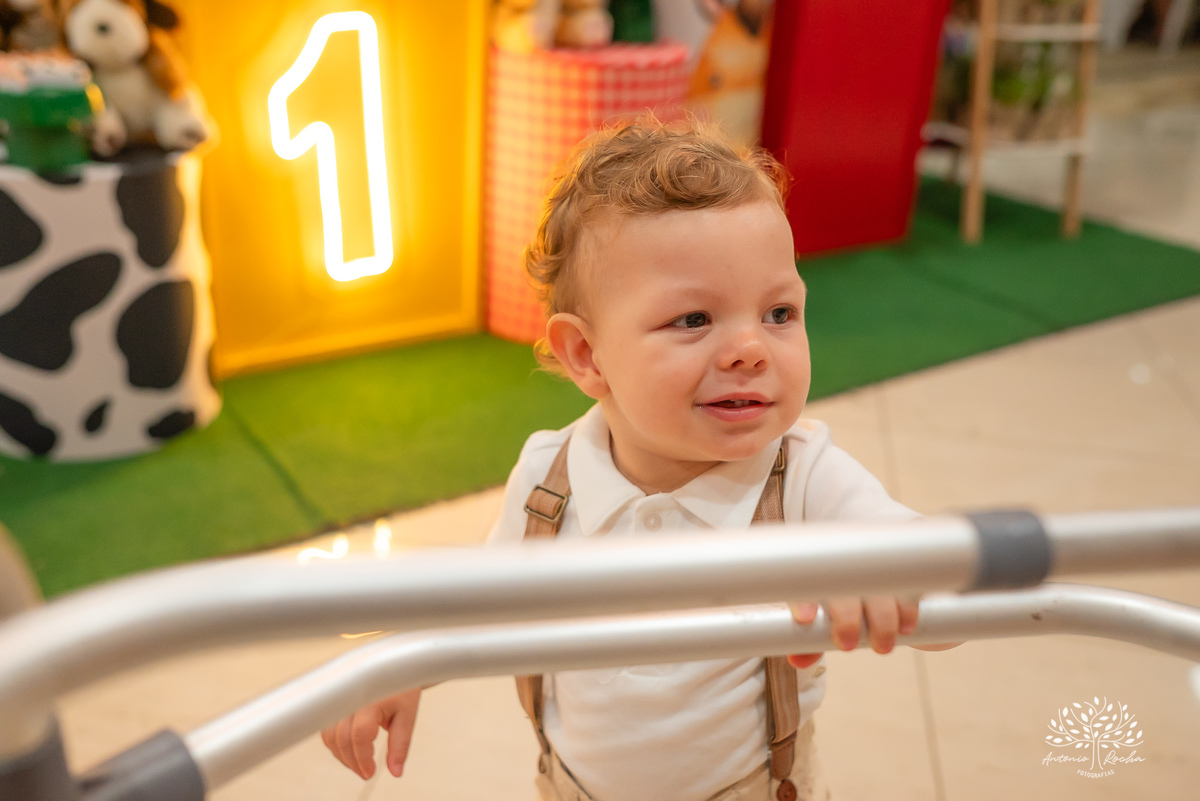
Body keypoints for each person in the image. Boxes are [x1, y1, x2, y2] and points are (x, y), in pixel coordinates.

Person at [322, 116, 958, 801]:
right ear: (587, 356)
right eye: (693, 320)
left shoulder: (803, 476)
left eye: (778, 313)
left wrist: (897, 578)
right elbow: (479, 599)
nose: (751, 349)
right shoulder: (549, 482)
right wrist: (399, 660)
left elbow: (950, 581)